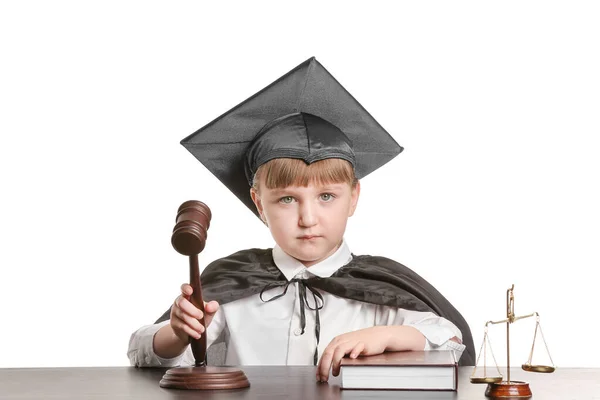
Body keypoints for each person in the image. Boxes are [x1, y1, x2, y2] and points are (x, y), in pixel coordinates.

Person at [128, 58, 475, 382]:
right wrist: (175, 335)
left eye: (327, 197)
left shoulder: (381, 288)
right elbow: (144, 354)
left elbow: (449, 341)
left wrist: (390, 334)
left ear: (353, 197)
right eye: (287, 199)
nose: (308, 218)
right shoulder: (230, 282)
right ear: (258, 204)